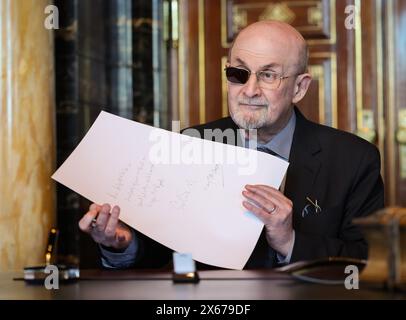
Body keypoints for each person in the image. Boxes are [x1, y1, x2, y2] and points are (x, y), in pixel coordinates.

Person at [78, 21, 384, 269]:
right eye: (238, 74)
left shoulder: (355, 160)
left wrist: (289, 242)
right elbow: (162, 256)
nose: (249, 90)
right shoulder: (187, 145)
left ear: (300, 88)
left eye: (268, 75)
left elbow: (369, 263)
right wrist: (122, 245)